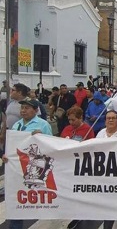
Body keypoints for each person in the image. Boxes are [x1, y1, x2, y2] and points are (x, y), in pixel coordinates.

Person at [5, 98, 53, 229]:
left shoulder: (43, 125)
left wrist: (41, 137)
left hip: (34, 168)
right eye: (22, 108)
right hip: (16, 168)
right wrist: (6, 155)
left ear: (36, 110)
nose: (23, 110)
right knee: (16, 200)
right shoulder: (17, 125)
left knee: (35, 199)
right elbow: (12, 146)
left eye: (27, 108)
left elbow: (51, 145)